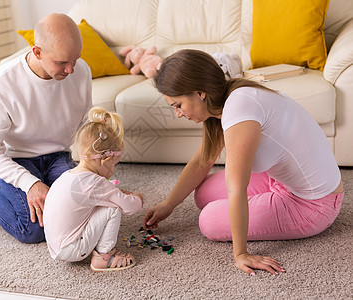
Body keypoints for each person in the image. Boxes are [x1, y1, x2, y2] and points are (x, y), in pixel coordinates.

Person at [143, 49, 344, 276]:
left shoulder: (239, 108)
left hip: (315, 204)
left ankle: (264, 214)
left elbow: (236, 186)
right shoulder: (229, 96)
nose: (178, 114)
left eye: (178, 105)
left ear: (200, 92)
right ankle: (263, 202)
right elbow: (202, 161)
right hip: (279, 181)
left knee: (208, 221)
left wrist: (241, 253)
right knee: (203, 192)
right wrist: (168, 204)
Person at [0, 13, 92, 244]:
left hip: (60, 157)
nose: (72, 69)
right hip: (19, 160)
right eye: (62, 62)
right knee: (33, 230)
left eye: (75, 59)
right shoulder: (1, 86)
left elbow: (85, 123)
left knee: (82, 213)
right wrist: (30, 183)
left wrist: (93, 156)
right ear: (37, 52)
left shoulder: (81, 70)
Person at [43, 107, 143, 272]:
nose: (113, 170)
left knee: (106, 202)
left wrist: (115, 193)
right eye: (114, 164)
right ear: (106, 159)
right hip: (72, 249)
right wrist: (137, 197)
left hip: (56, 247)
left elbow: (96, 196)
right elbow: (131, 207)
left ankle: (95, 250)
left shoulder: (68, 176)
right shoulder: (94, 182)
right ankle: (104, 257)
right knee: (112, 209)